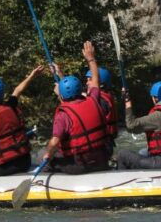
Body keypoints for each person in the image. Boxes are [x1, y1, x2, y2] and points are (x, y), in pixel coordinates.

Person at [41, 41, 110, 174]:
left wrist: (47, 154)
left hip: (80, 165)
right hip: (102, 160)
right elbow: (96, 79)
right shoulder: (93, 99)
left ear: (61, 95)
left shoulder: (63, 115)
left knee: (42, 157)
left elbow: (55, 141)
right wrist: (91, 58)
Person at [0, 66, 43, 176]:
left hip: (3, 168)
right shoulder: (11, 105)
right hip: (25, 163)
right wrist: (32, 76)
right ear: (2, 94)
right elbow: (18, 90)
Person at [86, 65, 118, 157]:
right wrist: (60, 75)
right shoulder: (104, 97)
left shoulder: (101, 101)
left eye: (90, 79)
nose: (87, 83)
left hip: (101, 148)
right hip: (103, 145)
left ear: (101, 83)